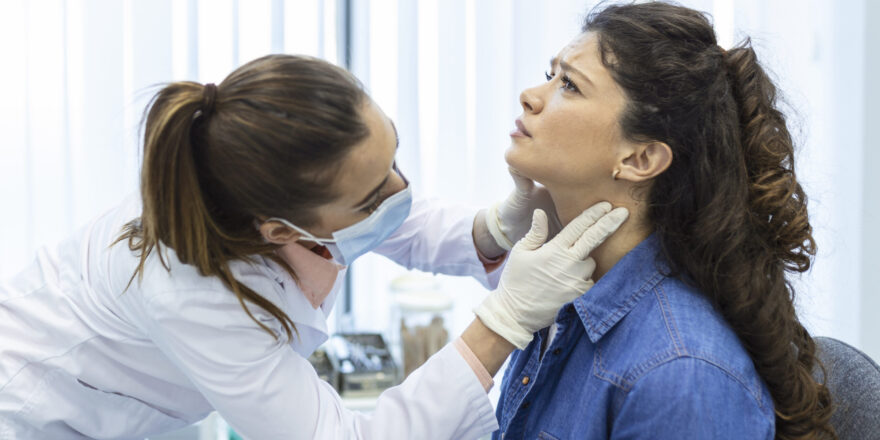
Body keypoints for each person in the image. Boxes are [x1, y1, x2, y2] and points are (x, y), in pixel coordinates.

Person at [0, 54, 628, 439]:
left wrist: (492, 228)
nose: (401, 190)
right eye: (374, 193)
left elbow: (393, 220)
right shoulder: (185, 291)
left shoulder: (279, 176)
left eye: (394, 159)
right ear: (278, 231)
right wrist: (504, 323)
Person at [493, 2, 835, 439]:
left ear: (641, 158)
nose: (531, 96)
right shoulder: (560, 296)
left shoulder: (680, 375)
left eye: (570, 85)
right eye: (550, 75)